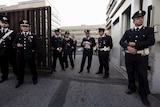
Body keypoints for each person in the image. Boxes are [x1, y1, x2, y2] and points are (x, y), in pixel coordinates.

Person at [119, 10, 155, 106]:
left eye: (142, 18)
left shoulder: (148, 30)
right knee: (130, 72)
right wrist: (128, 47)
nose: (141, 20)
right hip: (129, 56)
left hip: (141, 56)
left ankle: (143, 94)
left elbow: (151, 41)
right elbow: (121, 42)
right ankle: (132, 87)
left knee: (142, 75)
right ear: (134, 21)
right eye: (138, 18)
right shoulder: (128, 31)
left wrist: (136, 44)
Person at [13, 19, 38, 88]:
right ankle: (20, 80)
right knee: (20, 68)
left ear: (29, 27)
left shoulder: (32, 35)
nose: (25, 28)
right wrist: (16, 45)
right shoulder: (18, 35)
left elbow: (36, 46)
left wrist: (34, 54)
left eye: (27, 26)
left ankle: (34, 78)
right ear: (21, 27)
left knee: (33, 67)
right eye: (23, 26)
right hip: (20, 54)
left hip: (30, 54)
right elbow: (13, 43)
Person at [0, 15, 17, 83]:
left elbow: (15, 42)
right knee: (3, 65)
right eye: (2, 22)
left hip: (10, 52)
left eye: (6, 22)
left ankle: (18, 75)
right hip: (1, 51)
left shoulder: (13, 32)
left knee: (14, 64)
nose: (4, 24)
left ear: (8, 24)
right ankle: (4, 76)